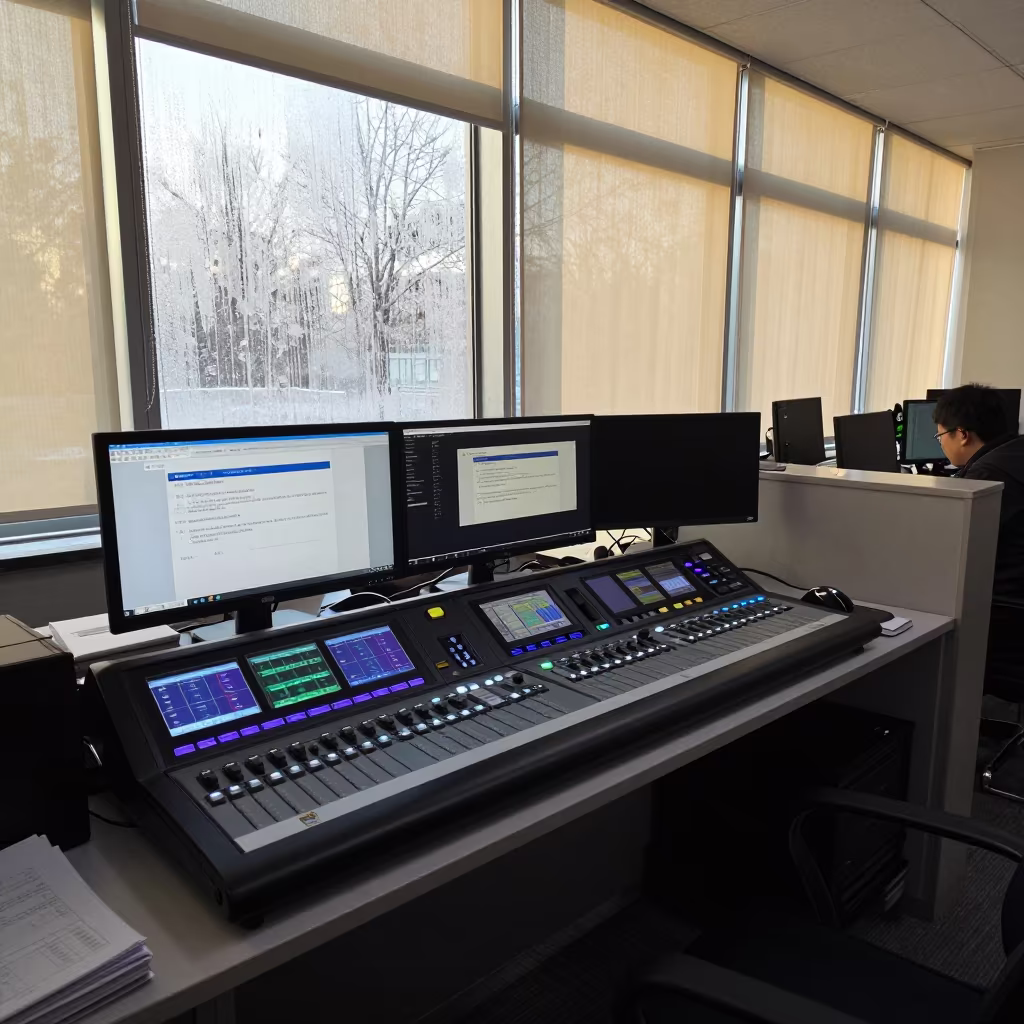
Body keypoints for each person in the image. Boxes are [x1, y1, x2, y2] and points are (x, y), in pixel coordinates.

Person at [933, 385, 1024, 602]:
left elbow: (954, 547)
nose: (941, 443)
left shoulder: (984, 476)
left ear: (962, 434)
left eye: (941, 435)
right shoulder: (1016, 449)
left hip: (1002, 600)